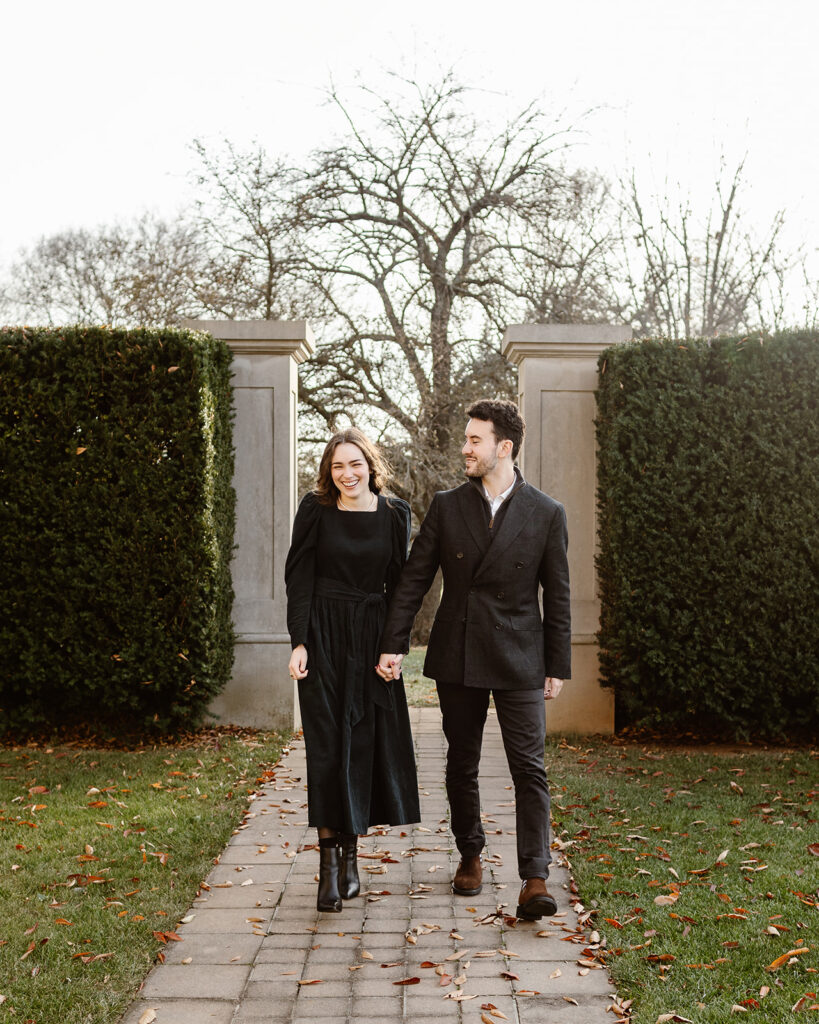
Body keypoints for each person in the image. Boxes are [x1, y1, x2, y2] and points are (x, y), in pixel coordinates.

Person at [378, 399, 570, 921]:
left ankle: (535, 877)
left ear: (503, 447)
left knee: (529, 766)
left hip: (521, 654)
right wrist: (393, 644)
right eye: (465, 438)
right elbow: (417, 578)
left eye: (474, 440)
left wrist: (556, 663)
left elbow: (558, 592)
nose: (464, 447)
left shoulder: (547, 512)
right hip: (459, 650)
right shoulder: (447, 505)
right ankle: (470, 852)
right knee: (461, 761)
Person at [285, 428, 420, 913]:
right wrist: (299, 640)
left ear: (370, 464)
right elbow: (298, 576)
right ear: (329, 471)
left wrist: (394, 647)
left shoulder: (395, 514)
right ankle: (326, 867)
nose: (347, 474)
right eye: (338, 466)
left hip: (371, 639)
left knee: (360, 743)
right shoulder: (315, 510)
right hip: (322, 636)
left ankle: (351, 859)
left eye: (355, 464)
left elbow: (402, 585)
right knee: (325, 746)